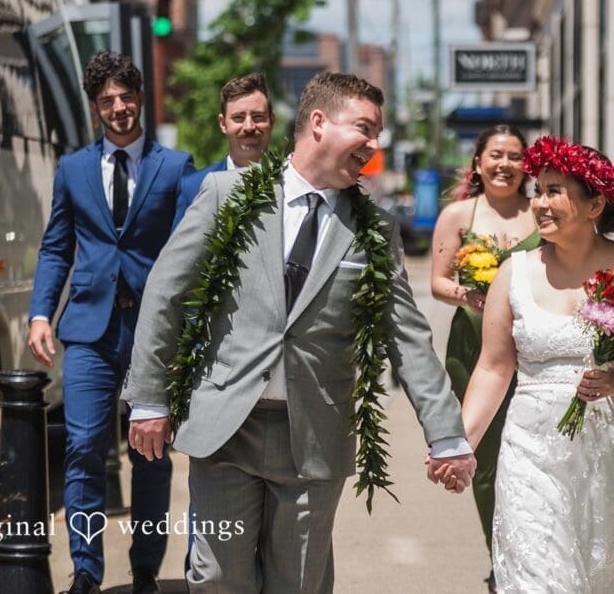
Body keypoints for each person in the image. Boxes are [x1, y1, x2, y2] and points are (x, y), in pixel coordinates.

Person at [121, 71, 476, 592]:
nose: (374, 144)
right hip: (227, 428)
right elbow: (165, 291)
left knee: (299, 581)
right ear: (318, 123)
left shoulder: (374, 226)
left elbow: (407, 335)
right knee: (218, 577)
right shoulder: (226, 194)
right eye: (364, 128)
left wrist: (447, 435)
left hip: (313, 434)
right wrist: (149, 398)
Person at [454, 137, 614, 592]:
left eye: (554, 191)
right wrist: (458, 444)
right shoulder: (514, 271)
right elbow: (492, 367)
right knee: (541, 579)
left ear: (595, 205)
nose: (540, 203)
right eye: (539, 190)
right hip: (532, 451)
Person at [27, 51, 194, 594]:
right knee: (82, 448)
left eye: (126, 97)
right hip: (89, 331)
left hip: (152, 332)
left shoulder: (175, 167)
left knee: (150, 451)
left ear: (140, 98)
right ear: (95, 107)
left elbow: (190, 250)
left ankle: (145, 567)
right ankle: (86, 572)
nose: (118, 108)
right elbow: (56, 248)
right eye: (107, 101)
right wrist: (39, 314)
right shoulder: (73, 169)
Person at [429, 125, 538, 592]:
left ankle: (535, 552)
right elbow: (437, 280)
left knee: (534, 456)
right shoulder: (458, 214)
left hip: (534, 352)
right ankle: (501, 558)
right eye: (495, 155)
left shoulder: (541, 213)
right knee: (486, 459)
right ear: (478, 162)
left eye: (515, 156)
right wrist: (469, 294)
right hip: (474, 350)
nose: (504, 164)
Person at [173, 72, 275, 224]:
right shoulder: (194, 187)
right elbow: (180, 247)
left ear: (272, 120)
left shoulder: (291, 182)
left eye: (258, 117)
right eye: (238, 118)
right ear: (223, 123)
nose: (249, 127)